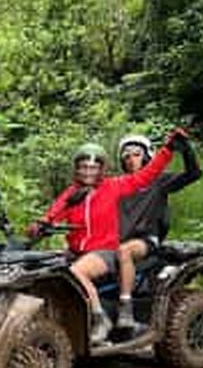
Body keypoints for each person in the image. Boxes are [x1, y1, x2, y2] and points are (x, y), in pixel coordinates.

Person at [26, 129, 189, 344]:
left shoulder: (113, 187)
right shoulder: (72, 193)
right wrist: (39, 226)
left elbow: (147, 175)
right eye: (84, 167)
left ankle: (99, 318)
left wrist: (167, 149)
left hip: (104, 252)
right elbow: (53, 213)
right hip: (76, 252)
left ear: (101, 169)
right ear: (76, 169)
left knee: (76, 273)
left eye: (93, 167)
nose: (88, 172)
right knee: (46, 273)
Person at [115, 132, 202, 329]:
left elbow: (193, 174)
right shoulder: (119, 185)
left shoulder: (158, 181)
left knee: (124, 251)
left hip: (146, 240)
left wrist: (186, 149)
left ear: (146, 156)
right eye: (126, 156)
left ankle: (126, 308)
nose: (131, 159)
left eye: (136, 154)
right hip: (119, 240)